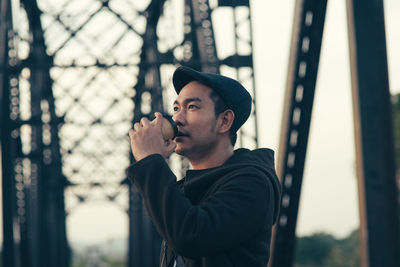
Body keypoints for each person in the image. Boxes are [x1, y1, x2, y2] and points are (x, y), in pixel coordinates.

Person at [127, 66, 281, 267]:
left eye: (192, 107)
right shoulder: (187, 189)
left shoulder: (253, 183)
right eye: (176, 108)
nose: (177, 119)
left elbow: (190, 236)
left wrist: (150, 162)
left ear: (224, 121)